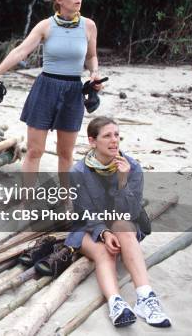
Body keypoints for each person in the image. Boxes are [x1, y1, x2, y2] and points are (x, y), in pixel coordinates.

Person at [0, 0, 104, 179]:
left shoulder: (89, 26)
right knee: (35, 151)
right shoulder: (46, 25)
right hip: (46, 88)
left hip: (73, 90)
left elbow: (91, 56)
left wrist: (94, 73)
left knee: (65, 153)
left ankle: (66, 201)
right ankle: (27, 201)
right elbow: (20, 52)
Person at [65, 117, 171, 328]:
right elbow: (84, 213)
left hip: (123, 226)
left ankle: (145, 297)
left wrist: (123, 181)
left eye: (117, 135)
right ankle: (116, 303)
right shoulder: (78, 172)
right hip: (88, 228)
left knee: (123, 226)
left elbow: (130, 213)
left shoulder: (132, 167)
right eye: (107, 136)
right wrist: (104, 232)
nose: (114, 141)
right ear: (92, 141)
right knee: (105, 252)